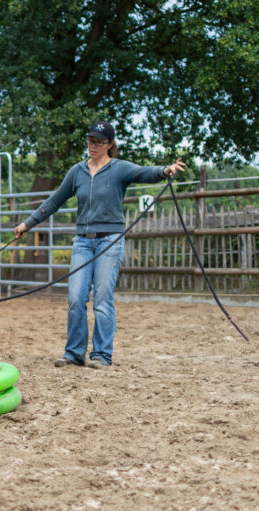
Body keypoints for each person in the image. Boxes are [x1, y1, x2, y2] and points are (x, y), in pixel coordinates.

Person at [14, 122, 185, 368]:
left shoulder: (119, 169)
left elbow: (144, 172)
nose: (92, 146)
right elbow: (55, 200)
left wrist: (165, 170)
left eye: (98, 142)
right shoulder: (77, 172)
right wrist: (28, 223)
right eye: (90, 141)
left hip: (110, 241)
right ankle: (74, 353)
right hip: (82, 242)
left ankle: (102, 355)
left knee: (102, 299)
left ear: (110, 145)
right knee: (75, 298)